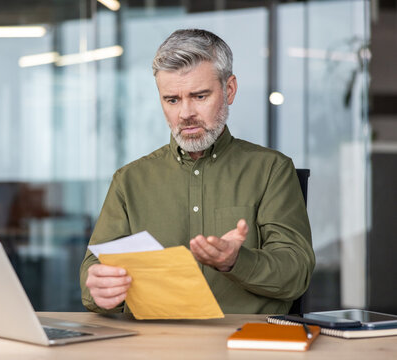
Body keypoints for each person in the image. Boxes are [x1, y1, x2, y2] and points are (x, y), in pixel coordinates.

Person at [79, 29, 315, 314]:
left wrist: (235, 261)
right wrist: (101, 290)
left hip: (245, 343)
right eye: (172, 100)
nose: (185, 113)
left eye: (199, 96)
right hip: (154, 346)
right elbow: (93, 274)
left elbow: (296, 273)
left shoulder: (272, 171)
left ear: (229, 90)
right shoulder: (128, 180)